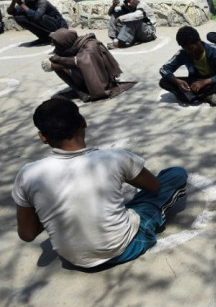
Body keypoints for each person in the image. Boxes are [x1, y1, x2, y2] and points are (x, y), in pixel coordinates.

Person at [12, 98, 188, 269]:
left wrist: (49, 204)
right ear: (83, 122)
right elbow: (154, 186)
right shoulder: (114, 157)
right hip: (125, 248)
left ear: (42, 137)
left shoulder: (27, 174)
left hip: (74, 259)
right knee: (175, 175)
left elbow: (27, 234)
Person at [40, 29, 131, 103]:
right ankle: (80, 91)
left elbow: (82, 62)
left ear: (66, 41)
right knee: (56, 64)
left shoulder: (90, 45)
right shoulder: (72, 45)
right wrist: (54, 61)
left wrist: (57, 62)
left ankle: (91, 90)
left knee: (57, 65)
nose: (55, 45)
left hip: (100, 78)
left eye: (57, 43)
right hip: (86, 72)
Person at [159, 26, 216, 106]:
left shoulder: (213, 50)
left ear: (198, 41)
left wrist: (205, 82)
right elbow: (164, 69)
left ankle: (194, 96)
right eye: (185, 49)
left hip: (212, 81)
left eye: (190, 48)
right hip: (194, 82)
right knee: (164, 81)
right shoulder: (183, 53)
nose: (189, 52)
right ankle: (207, 95)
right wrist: (177, 82)